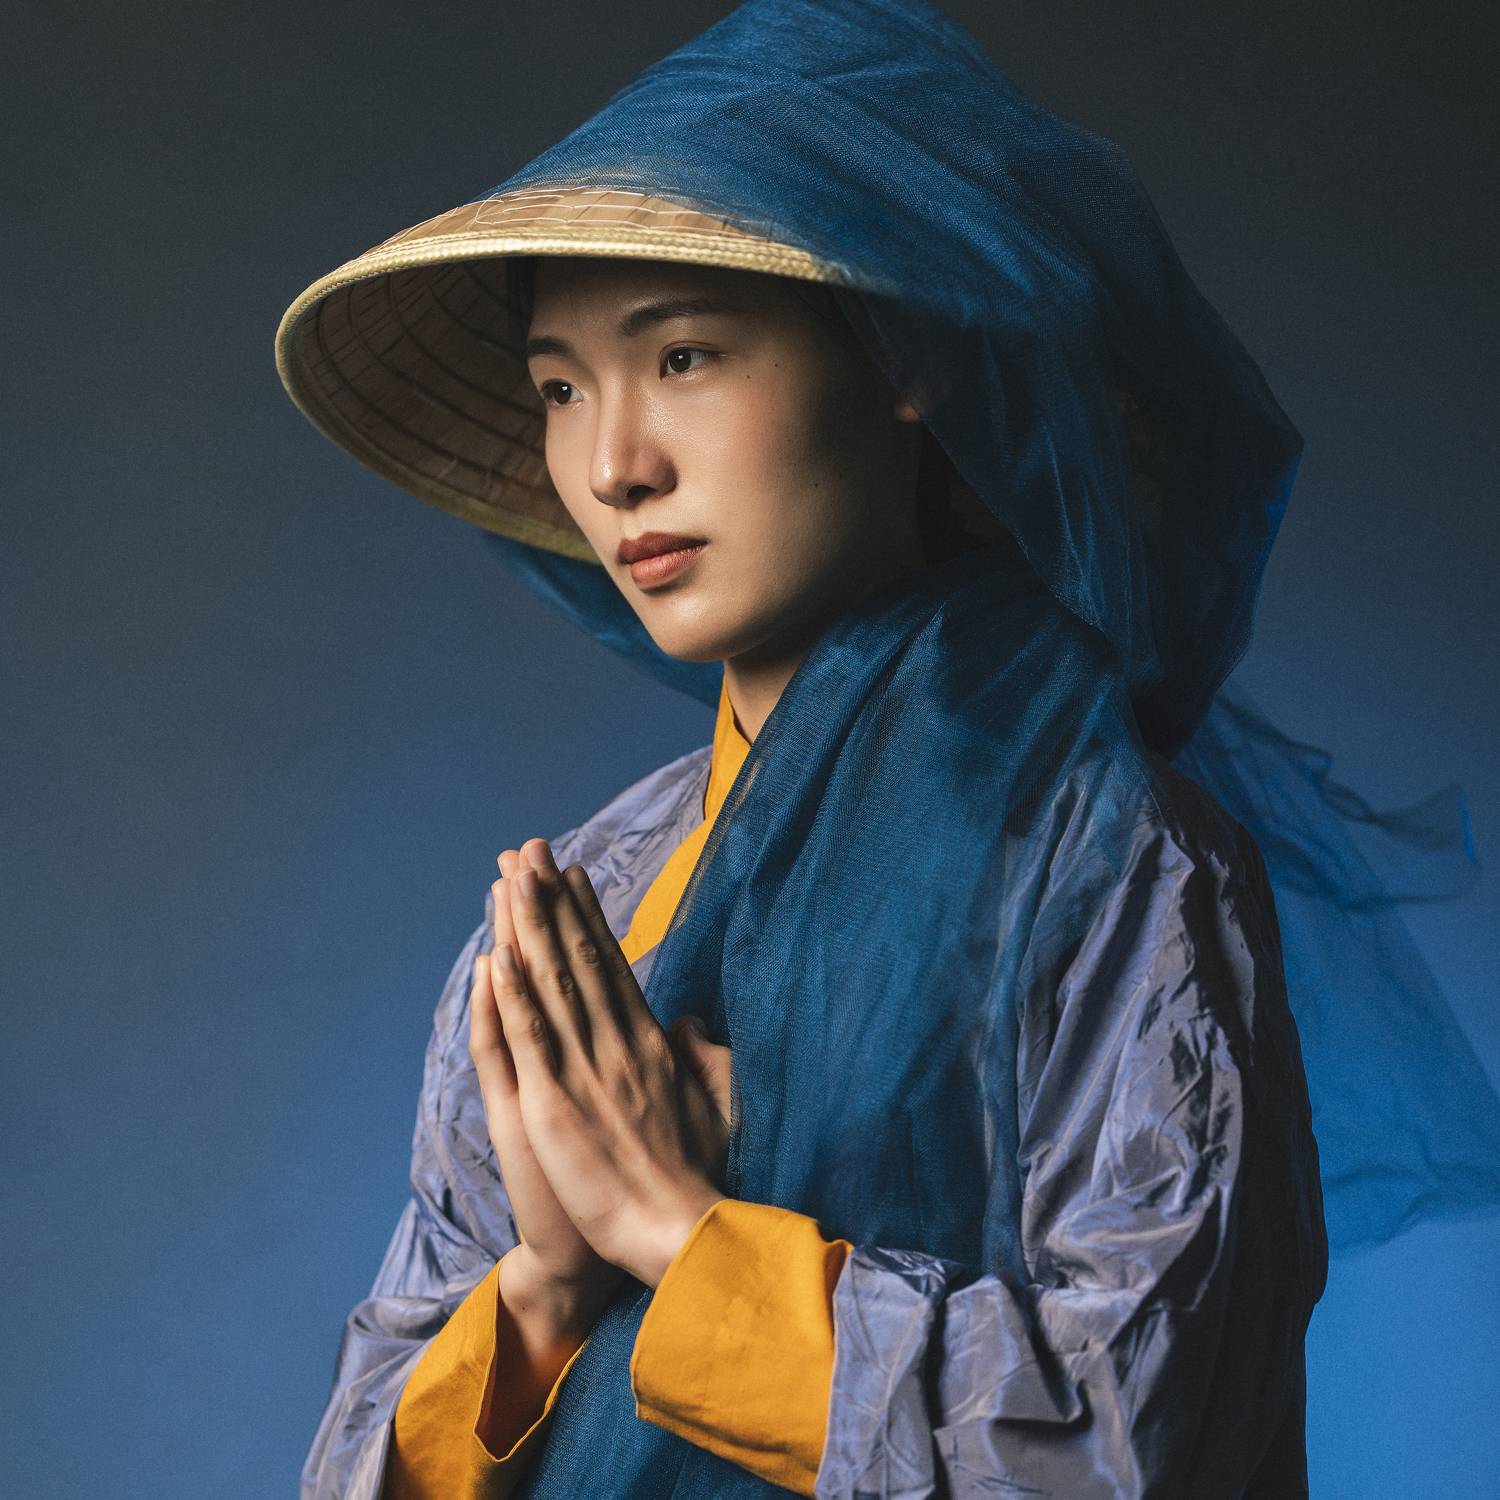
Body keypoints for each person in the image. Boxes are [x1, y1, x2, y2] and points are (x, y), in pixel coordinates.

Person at [275, 1, 1500, 1495]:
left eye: (685, 355)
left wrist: (675, 1228)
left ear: (902, 350)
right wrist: (541, 1286)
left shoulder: (1108, 864)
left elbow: (1144, 1441)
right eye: (559, 387)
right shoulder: (575, 910)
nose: (613, 463)